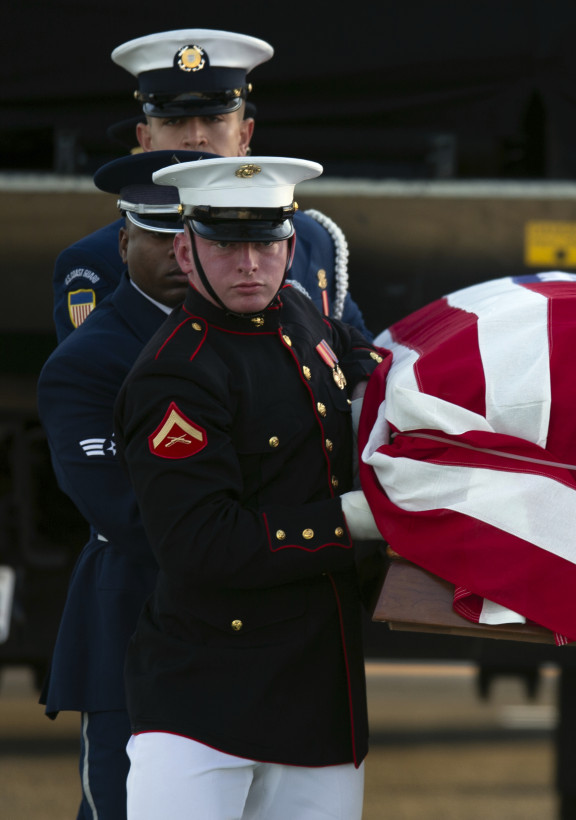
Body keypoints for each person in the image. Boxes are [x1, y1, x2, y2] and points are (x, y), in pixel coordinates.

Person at [112, 155, 386, 820]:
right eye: (225, 245)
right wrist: (351, 520)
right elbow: (201, 544)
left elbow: (371, 365)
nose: (249, 266)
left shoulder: (302, 315)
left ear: (292, 247)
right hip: (205, 707)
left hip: (318, 699)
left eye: (266, 245)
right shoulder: (175, 375)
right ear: (186, 248)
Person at [37, 149, 215, 819]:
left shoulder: (252, 333)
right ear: (122, 239)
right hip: (135, 624)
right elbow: (127, 511)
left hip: (247, 640)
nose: (178, 251)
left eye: (191, 233)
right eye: (158, 232)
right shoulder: (88, 360)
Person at [52, 28, 370, 342]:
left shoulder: (312, 239)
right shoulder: (98, 259)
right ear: (146, 140)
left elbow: (356, 352)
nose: (195, 137)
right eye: (173, 121)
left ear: (244, 136)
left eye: (214, 119)